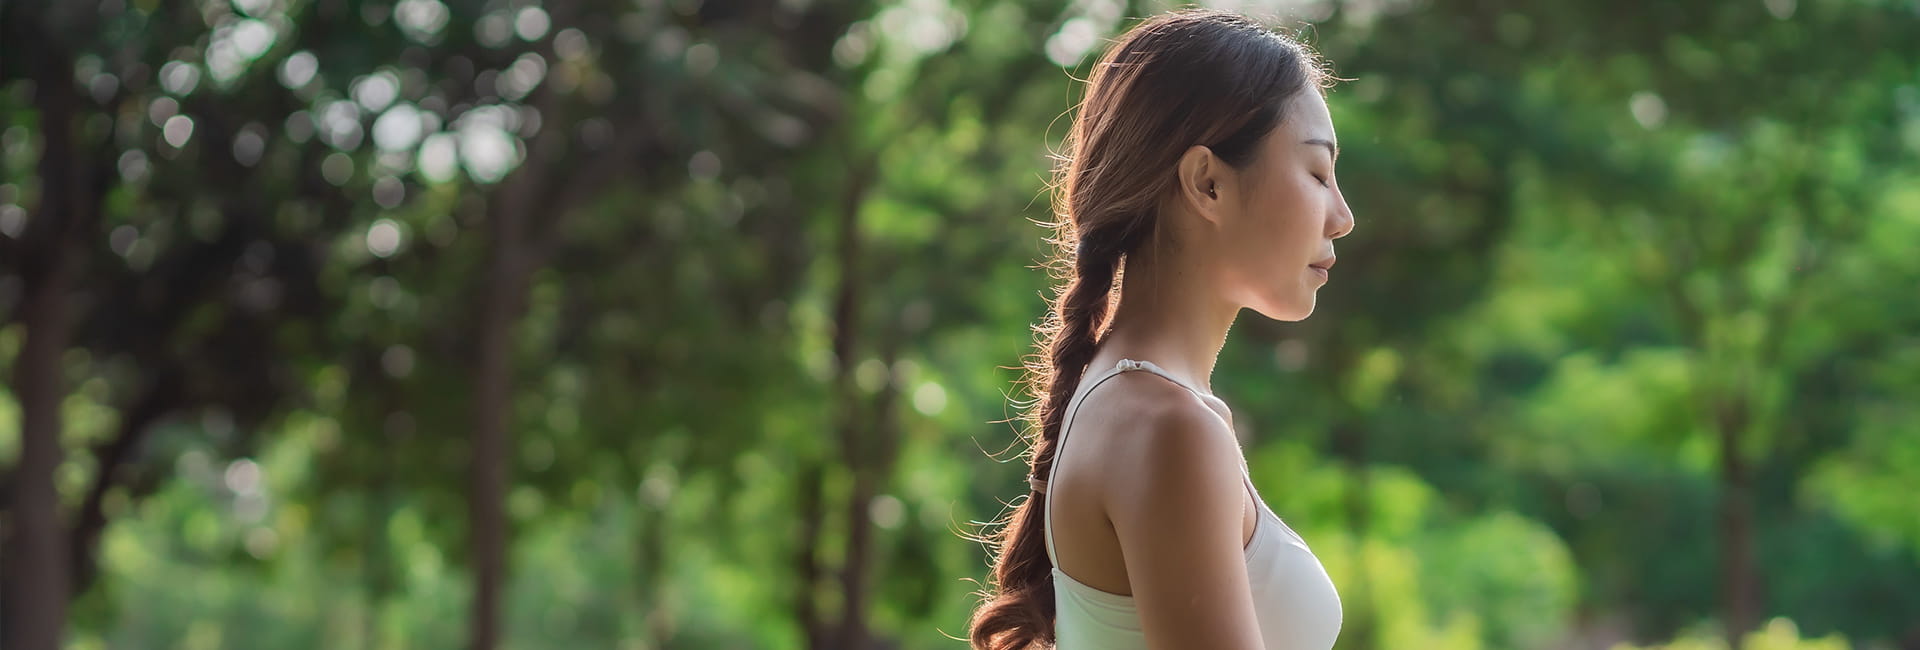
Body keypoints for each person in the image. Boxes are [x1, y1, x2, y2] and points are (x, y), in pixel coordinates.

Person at [966, 8, 1355, 650]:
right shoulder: (1169, 427)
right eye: (1317, 172)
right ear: (1207, 182)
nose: (1341, 216)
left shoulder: (1140, 403)